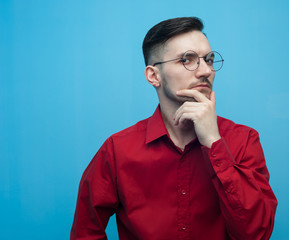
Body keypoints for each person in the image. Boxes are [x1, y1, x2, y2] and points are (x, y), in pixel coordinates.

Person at [71, 17, 277, 240]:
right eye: (187, 60)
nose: (205, 71)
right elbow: (85, 232)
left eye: (208, 59)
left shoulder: (244, 140)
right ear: (153, 76)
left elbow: (256, 234)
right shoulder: (117, 150)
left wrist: (213, 142)